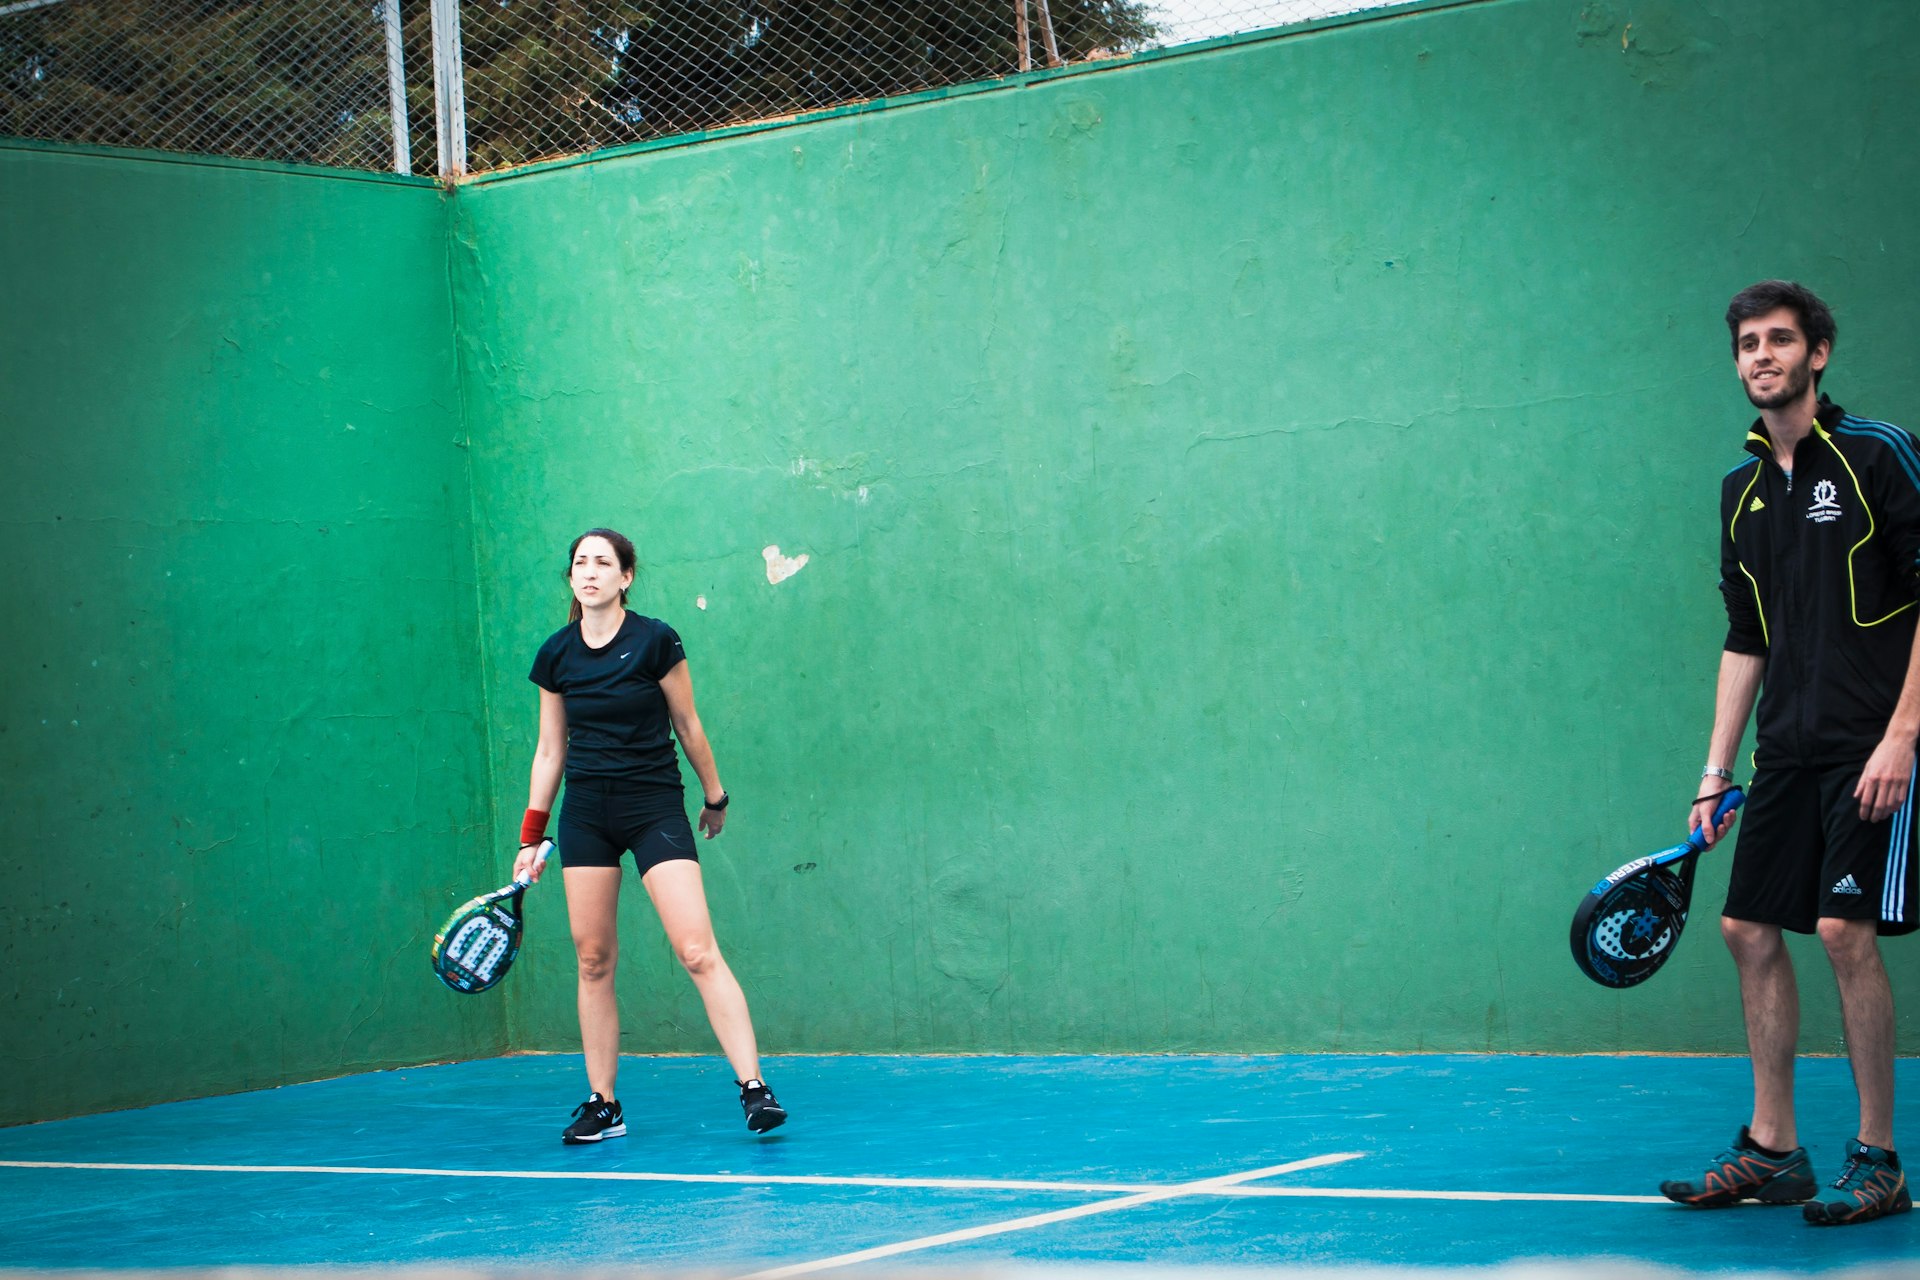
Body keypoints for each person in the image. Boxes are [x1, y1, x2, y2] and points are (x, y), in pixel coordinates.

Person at [1662, 281, 1914, 1224]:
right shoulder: (1741, 493)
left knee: (1847, 934)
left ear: (1819, 354)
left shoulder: (1877, 456)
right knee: (1746, 929)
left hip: (1873, 746)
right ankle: (1773, 1150)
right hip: (1785, 751)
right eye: (1747, 344)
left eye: (1780, 340)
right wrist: (1715, 771)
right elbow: (1745, 639)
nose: (1761, 356)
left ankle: (1878, 1157)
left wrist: (1904, 733)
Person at [512, 527, 787, 1143]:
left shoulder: (656, 639)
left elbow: (687, 724)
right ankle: (603, 1104)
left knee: (696, 949)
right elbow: (550, 751)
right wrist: (531, 836)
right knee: (592, 960)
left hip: (653, 806)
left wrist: (715, 796)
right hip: (585, 814)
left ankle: (754, 1088)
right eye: (580, 563)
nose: (589, 572)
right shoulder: (556, 655)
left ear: (626, 576)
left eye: (602, 563)